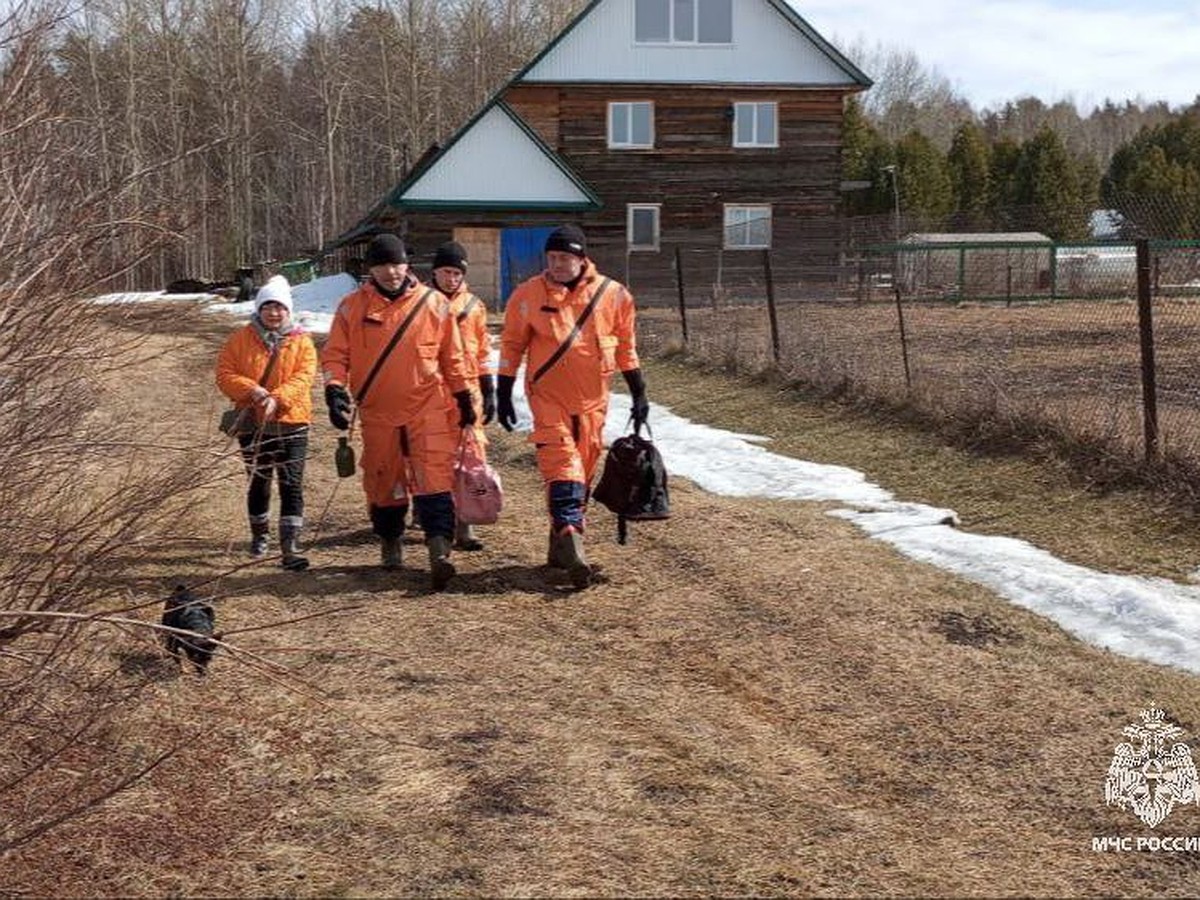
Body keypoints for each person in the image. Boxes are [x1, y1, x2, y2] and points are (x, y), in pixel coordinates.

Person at [320, 233, 476, 590]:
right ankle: (390, 541)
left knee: (434, 478)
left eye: (397, 263)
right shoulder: (351, 307)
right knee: (383, 482)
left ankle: (439, 552)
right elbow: (335, 355)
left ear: (408, 264)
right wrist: (333, 389)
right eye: (382, 265)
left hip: (429, 409)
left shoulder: (435, 305)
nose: (391, 272)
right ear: (371, 268)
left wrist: (464, 397)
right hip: (377, 413)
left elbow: (452, 358)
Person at [496, 224, 649, 589]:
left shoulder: (615, 296)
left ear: (581, 258)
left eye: (564, 257)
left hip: (594, 402)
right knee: (563, 468)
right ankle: (573, 540)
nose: (557, 264)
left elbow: (626, 348)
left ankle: (560, 543)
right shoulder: (528, 294)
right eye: (551, 257)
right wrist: (502, 391)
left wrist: (639, 394)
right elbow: (512, 345)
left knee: (583, 472)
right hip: (547, 399)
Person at [215, 274, 317, 571]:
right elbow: (225, 374)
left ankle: (290, 545)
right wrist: (253, 391)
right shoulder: (239, 340)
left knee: (292, 484)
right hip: (254, 423)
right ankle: (260, 535)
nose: (274, 313)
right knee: (259, 481)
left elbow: (304, 377)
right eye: (268, 306)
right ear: (259, 308)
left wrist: (278, 398)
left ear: (289, 310)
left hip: (293, 422)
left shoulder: (303, 342)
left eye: (280, 307)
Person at [430, 240, 496, 551]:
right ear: (435, 272)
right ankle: (432, 517)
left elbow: (482, 351)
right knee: (433, 460)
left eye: (457, 273)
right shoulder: (422, 303)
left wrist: (488, 387)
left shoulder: (475, 307)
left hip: (468, 393)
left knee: (471, 459)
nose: (451, 278)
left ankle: (464, 525)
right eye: (446, 272)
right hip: (431, 393)